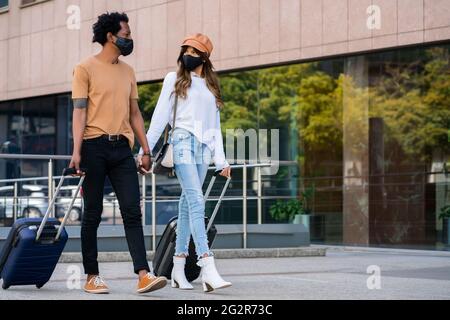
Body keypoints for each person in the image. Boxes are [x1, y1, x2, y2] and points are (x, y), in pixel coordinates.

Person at [69, 12, 167, 294]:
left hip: (122, 150)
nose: (130, 38)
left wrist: (146, 149)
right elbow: (79, 112)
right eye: (126, 34)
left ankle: (143, 274)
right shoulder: (84, 68)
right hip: (93, 147)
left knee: (132, 211)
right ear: (111, 36)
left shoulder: (128, 72)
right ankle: (92, 276)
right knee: (93, 214)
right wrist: (76, 152)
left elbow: (135, 113)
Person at [138, 33, 232, 292]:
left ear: (204, 57)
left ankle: (178, 268)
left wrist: (221, 160)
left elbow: (215, 127)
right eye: (186, 49)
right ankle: (206, 265)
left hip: (203, 147)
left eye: (194, 50)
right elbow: (159, 118)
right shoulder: (174, 79)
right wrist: (143, 150)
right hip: (181, 142)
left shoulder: (211, 86)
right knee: (196, 198)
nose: (188, 54)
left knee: (187, 203)